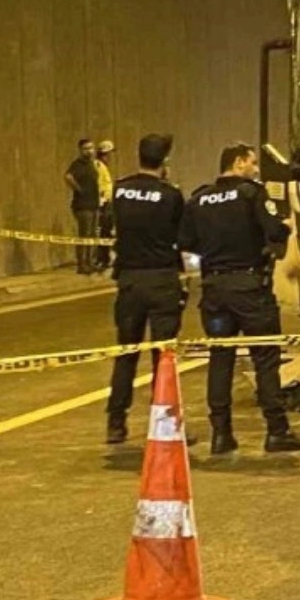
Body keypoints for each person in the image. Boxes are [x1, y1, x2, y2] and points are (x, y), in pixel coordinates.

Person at [178, 143, 300, 454]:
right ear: (238, 163)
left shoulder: (199, 199)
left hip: (214, 290)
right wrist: (284, 228)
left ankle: (221, 434)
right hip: (250, 288)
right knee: (265, 358)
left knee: (220, 358)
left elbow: (185, 240)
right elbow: (274, 232)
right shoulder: (252, 193)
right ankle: (276, 431)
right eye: (252, 163)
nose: (255, 169)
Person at [105, 134, 186, 444]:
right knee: (163, 357)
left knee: (126, 352)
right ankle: (163, 423)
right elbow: (182, 235)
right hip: (162, 278)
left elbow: (110, 224)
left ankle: (116, 422)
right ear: (164, 161)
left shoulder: (120, 189)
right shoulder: (170, 195)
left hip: (129, 279)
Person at [65, 138, 101, 274]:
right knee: (84, 234)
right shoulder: (77, 164)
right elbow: (68, 177)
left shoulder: (92, 164)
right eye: (86, 148)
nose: (89, 151)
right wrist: (79, 189)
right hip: (82, 206)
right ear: (80, 150)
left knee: (92, 234)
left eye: (91, 148)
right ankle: (82, 264)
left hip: (94, 204)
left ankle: (90, 262)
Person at [94, 140, 116, 270]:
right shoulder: (98, 166)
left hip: (107, 202)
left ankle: (105, 258)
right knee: (103, 231)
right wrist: (101, 201)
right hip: (103, 203)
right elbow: (98, 185)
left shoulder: (103, 167)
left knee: (107, 231)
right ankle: (101, 259)